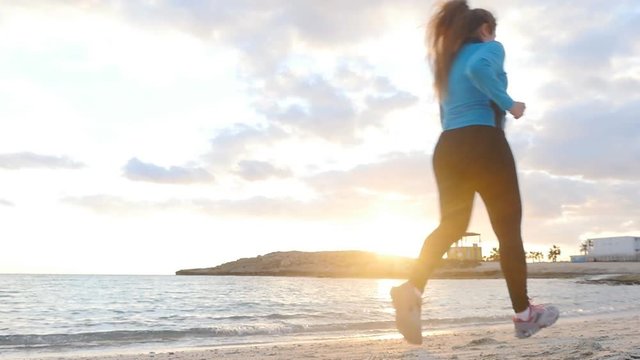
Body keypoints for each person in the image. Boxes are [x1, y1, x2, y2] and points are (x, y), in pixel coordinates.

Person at [390, 0, 559, 345]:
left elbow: (446, 113)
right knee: (508, 232)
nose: (494, 37)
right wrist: (510, 103)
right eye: (492, 32)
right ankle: (525, 315)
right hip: (484, 143)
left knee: (452, 225)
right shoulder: (490, 47)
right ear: (484, 30)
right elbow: (482, 69)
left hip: (448, 147)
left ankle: (412, 286)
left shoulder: (445, 64)